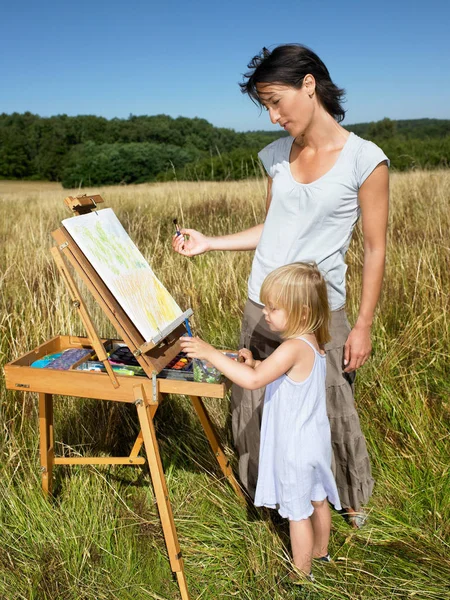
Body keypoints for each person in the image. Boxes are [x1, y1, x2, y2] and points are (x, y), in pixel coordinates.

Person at [172, 43, 389, 526]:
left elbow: (375, 249)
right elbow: (272, 228)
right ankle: (270, 497)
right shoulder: (274, 155)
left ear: (308, 85)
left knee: (328, 406)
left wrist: (364, 325)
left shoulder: (365, 160)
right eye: (265, 105)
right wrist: (210, 243)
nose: (272, 116)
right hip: (264, 304)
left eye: (275, 101)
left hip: (318, 312)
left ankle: (345, 499)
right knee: (253, 399)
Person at [180, 262, 341, 580]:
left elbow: (253, 382)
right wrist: (256, 362)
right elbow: (275, 372)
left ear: (302, 312)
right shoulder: (311, 342)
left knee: (298, 515)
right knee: (318, 500)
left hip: (295, 448)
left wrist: (211, 353)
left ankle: (302, 575)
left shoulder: (292, 347)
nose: (266, 313)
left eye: (273, 308)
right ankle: (322, 554)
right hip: (315, 441)